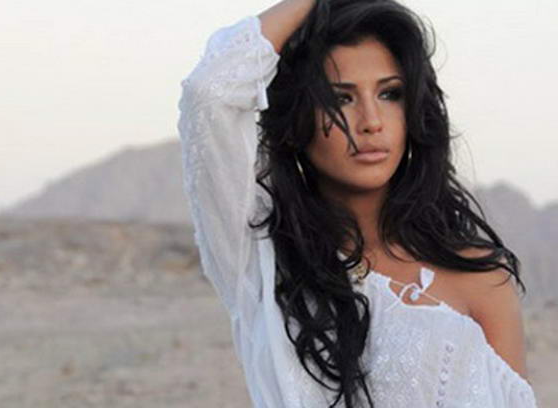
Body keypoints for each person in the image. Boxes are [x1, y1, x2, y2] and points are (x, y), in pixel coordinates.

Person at [176, 0, 539, 406]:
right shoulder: (260, 258)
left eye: (389, 94)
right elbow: (209, 93)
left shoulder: (482, 278)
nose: (371, 121)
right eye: (341, 99)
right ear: (297, 119)